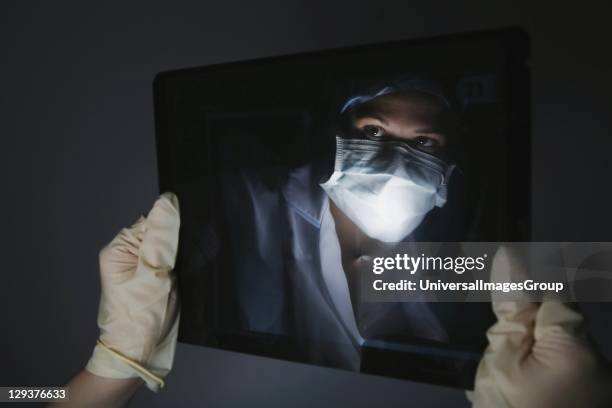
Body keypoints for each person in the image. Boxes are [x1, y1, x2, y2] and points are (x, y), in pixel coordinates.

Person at [56, 81, 612, 406]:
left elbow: (585, 269)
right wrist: (113, 363)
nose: (395, 160)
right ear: (339, 136)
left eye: (423, 141)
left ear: (448, 165)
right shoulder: (250, 204)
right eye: (373, 131)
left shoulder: (433, 259)